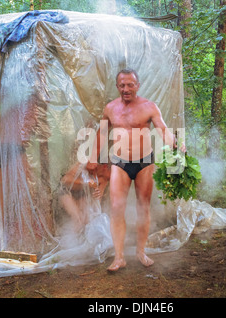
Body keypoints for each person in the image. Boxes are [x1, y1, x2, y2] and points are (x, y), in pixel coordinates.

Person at [87, 69, 185, 271]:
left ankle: (140, 251)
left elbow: (163, 131)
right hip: (119, 162)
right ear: (117, 87)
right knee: (116, 208)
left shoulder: (149, 107)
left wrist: (176, 145)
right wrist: (92, 157)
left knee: (143, 208)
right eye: (122, 85)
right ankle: (119, 257)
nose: (126, 89)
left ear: (137, 86)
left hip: (144, 163)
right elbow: (101, 135)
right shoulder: (110, 108)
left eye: (130, 85)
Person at [59, 162, 111, 232]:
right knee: (77, 218)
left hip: (82, 196)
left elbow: (98, 200)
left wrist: (98, 194)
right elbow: (65, 180)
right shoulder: (84, 165)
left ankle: (83, 238)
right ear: (105, 167)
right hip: (67, 193)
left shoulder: (104, 179)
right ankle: (72, 238)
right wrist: (85, 182)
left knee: (86, 220)